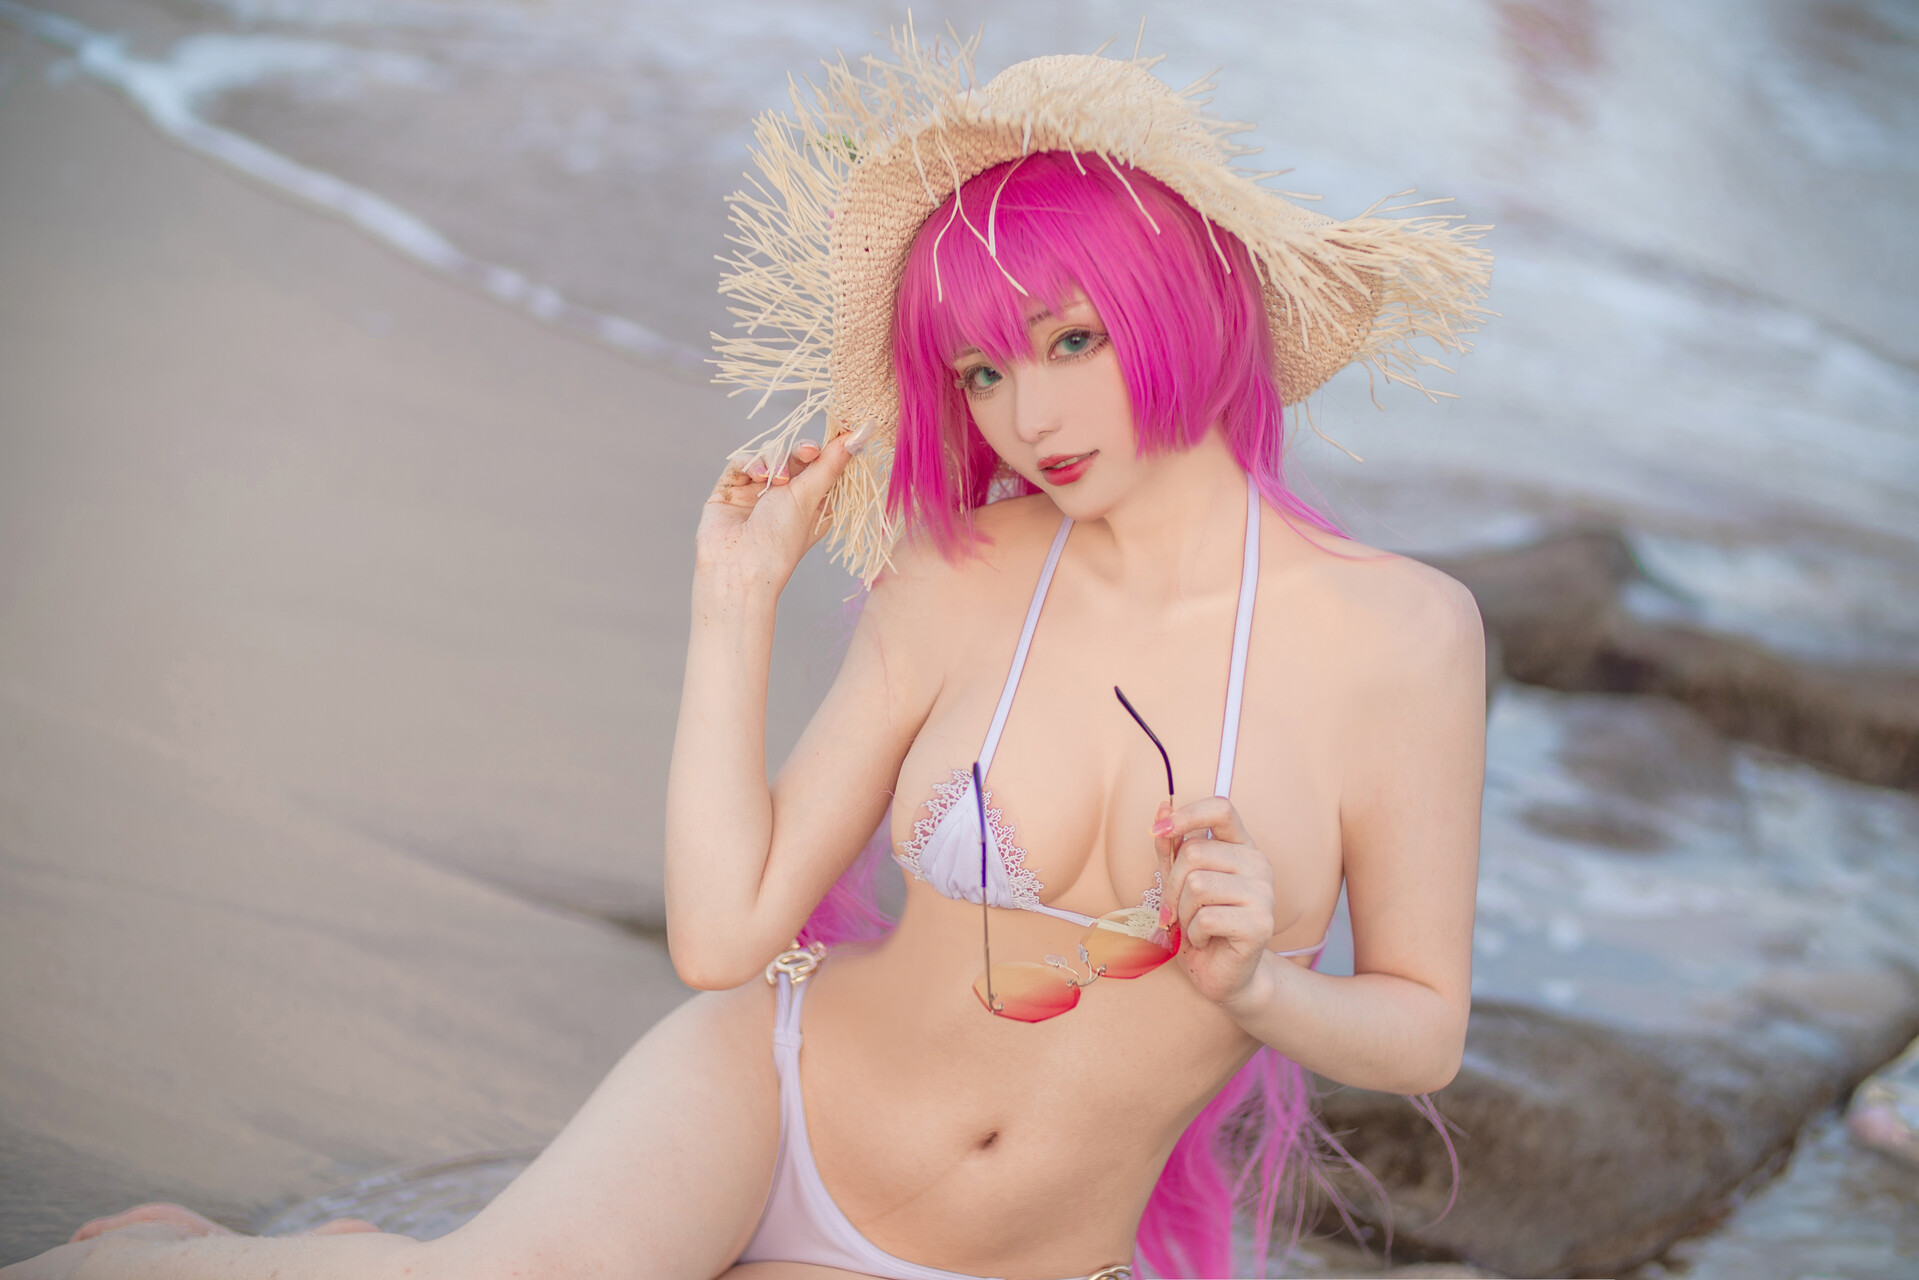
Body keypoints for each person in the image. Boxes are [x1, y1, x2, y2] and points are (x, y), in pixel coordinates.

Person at [5, 32, 1490, 1280]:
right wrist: (736, 597)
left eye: (1070, 341)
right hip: (768, 1099)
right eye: (982, 371)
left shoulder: (1402, 639)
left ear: (1185, 308)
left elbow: (1422, 1026)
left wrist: (1264, 992)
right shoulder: (965, 576)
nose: (1028, 417)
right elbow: (724, 939)